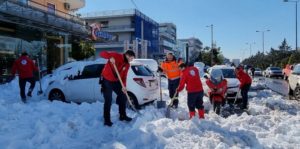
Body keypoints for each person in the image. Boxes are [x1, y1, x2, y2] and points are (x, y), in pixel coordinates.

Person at [100, 50, 135, 127]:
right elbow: (102, 53)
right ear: (127, 55)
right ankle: (107, 120)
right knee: (108, 100)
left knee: (123, 96)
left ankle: (123, 116)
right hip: (107, 80)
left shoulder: (127, 65)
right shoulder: (116, 55)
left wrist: (124, 86)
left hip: (116, 81)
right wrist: (109, 57)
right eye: (131, 58)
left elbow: (124, 76)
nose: (131, 60)